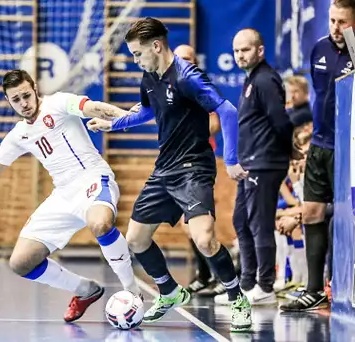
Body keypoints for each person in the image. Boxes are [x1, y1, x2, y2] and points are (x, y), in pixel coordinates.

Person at [87, 17, 252, 332]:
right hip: (165, 167)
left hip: (193, 168)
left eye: (138, 54)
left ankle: (237, 298)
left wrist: (230, 159)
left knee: (204, 240)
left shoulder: (188, 76)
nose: (136, 60)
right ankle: (170, 292)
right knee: (135, 239)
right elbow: (148, 111)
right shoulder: (150, 77)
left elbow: (227, 111)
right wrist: (112, 124)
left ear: (156, 46)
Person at [0, 69, 140, 322]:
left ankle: (132, 291)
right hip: (62, 194)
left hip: (92, 178)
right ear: (9, 101)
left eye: (26, 96)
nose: (23, 104)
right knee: (20, 263)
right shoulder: (18, 134)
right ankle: (85, 290)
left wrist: (126, 118)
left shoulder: (58, 103)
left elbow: (93, 108)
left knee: (101, 223)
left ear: (35, 88)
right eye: (16, 100)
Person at [280, 0, 355, 312]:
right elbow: (321, 96)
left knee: (350, 215)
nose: (335, 28)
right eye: (332, 20)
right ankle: (314, 290)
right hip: (321, 145)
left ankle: (347, 286)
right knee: (311, 212)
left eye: (343, 22)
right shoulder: (320, 49)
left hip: (350, 150)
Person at [215, 28, 295, 306]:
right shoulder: (251, 80)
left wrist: (289, 150)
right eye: (236, 51)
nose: (239, 55)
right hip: (250, 164)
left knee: (260, 224)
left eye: (245, 50)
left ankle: (265, 286)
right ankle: (247, 284)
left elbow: (280, 121)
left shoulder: (265, 80)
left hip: (264, 163)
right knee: (241, 221)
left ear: (260, 50)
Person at [173, 44, 238, 298]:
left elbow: (217, 121)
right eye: (181, 58)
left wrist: (190, 128)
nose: (185, 62)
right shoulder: (169, 87)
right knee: (186, 225)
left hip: (197, 162)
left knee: (199, 225)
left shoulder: (201, 87)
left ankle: (220, 276)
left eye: (190, 58)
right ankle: (206, 275)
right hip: (175, 163)